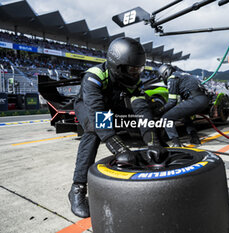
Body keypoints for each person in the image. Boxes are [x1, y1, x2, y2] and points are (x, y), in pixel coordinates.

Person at [69, 37, 166, 218]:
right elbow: (98, 113)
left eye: (139, 69)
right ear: (117, 65)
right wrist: (118, 147)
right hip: (89, 105)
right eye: (132, 69)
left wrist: (153, 141)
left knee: (150, 113)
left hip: (113, 104)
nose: (136, 73)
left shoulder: (134, 81)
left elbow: (141, 110)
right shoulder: (93, 76)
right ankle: (77, 188)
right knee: (93, 131)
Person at [156, 64, 209, 146]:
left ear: (165, 73)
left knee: (166, 118)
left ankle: (176, 143)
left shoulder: (172, 78)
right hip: (204, 99)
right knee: (185, 116)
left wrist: (160, 110)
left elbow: (172, 102)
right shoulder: (184, 74)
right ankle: (195, 138)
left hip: (195, 100)